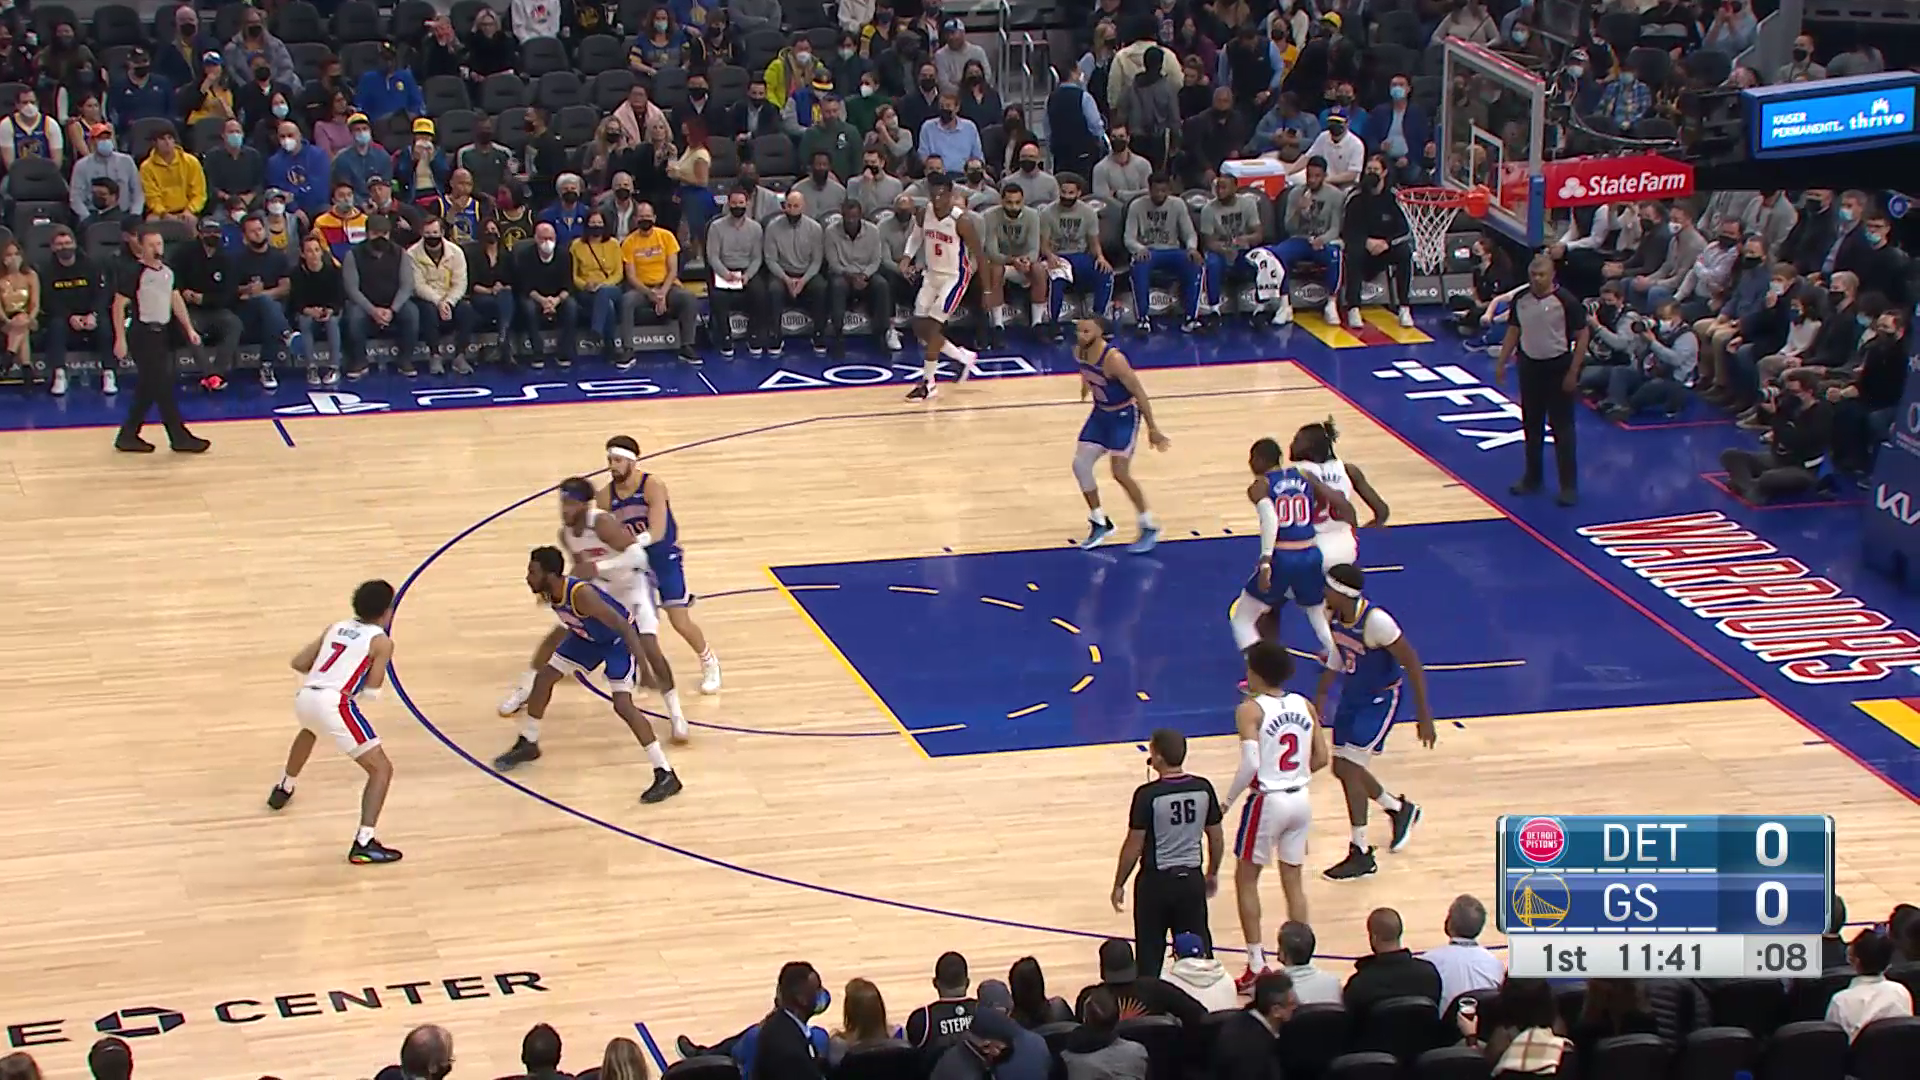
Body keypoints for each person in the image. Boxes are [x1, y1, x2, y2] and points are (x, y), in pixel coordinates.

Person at [490, 544, 683, 805]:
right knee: (545, 677)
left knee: (623, 705)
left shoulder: (582, 595)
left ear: (550, 575)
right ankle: (529, 742)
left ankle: (665, 773)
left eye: (533, 572)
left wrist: (645, 670)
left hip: (616, 642)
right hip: (586, 638)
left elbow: (625, 627)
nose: (527, 577)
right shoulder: (551, 591)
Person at [270, 579, 404, 865]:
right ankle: (364, 842)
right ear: (387, 611)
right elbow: (372, 691)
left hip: (306, 697)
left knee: (309, 730)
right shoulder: (381, 642)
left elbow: (299, 663)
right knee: (381, 769)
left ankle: (284, 787)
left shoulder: (336, 627)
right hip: (334, 703)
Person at [1315, 563, 1434, 881]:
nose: (1323, 593)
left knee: (1351, 770)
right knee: (1342, 769)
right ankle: (1398, 809)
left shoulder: (1377, 622)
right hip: (1353, 695)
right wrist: (1322, 695)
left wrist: (1424, 715)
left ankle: (1361, 852)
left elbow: (1412, 663)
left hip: (1378, 700)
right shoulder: (1333, 615)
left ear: (1342, 593)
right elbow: (1338, 653)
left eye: (1328, 589)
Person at [1225, 641, 1329, 991]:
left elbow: (1251, 764)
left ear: (1256, 672)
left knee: (1246, 879)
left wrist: (1226, 802)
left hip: (1268, 801)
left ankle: (1257, 964)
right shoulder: (1305, 704)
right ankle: (1302, 964)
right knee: (1293, 882)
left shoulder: (1249, 710)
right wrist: (1294, 774)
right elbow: (1321, 758)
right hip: (1301, 799)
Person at [601, 435, 723, 694]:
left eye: (618, 460)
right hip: (635, 563)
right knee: (629, 618)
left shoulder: (652, 485)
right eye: (610, 460)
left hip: (663, 558)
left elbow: (657, 532)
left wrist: (628, 545)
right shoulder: (604, 497)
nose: (613, 466)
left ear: (633, 461)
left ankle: (709, 661)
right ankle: (631, 668)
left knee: (679, 621)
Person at [1111, 727, 1223, 978]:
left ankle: (1150, 999)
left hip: (1156, 883)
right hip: (1191, 880)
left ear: (1158, 757)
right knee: (1198, 953)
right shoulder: (1204, 788)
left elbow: (1133, 845)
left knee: (1149, 955)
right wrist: (1212, 872)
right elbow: (1216, 837)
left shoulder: (1147, 795)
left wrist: (1119, 883)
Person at [1229, 437, 1351, 667]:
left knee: (1242, 619)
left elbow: (1270, 519)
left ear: (1260, 460)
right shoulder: (1304, 475)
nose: (1250, 463)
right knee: (1316, 614)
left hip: (1283, 557)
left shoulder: (1260, 485)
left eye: (1252, 458)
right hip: (1310, 553)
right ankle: (1339, 659)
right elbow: (1332, 501)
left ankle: (1261, 668)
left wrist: (1266, 560)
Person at [1495, 254, 1587, 506]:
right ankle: (1532, 478)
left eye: (1542, 275)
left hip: (1558, 367)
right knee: (1531, 425)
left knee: (1562, 429)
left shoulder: (1566, 300)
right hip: (1530, 366)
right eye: (1533, 275)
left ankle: (1568, 486)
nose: (1537, 279)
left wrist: (1573, 371)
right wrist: (1502, 361)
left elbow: (1582, 334)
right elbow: (1514, 330)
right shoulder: (1521, 298)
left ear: (1552, 275)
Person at [1070, 319, 1169, 551]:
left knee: (1120, 473)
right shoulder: (1079, 351)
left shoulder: (1114, 360)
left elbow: (1139, 392)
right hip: (1100, 415)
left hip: (1123, 416)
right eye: (1078, 330)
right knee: (1080, 465)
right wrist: (1085, 385)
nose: (1081, 334)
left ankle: (1148, 525)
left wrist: (1153, 428)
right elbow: (1085, 370)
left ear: (1100, 332)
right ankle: (1099, 521)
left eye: (1086, 331)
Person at [112, 226, 208, 453]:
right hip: (142, 334)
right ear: (142, 247)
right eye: (151, 245)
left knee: (149, 388)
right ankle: (179, 437)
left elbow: (175, 300)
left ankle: (127, 435)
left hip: (162, 333)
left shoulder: (168, 272)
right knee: (162, 386)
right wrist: (120, 338)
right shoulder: (135, 273)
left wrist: (189, 328)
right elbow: (118, 305)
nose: (156, 248)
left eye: (159, 244)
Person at [903, 173, 981, 401]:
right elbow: (916, 237)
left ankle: (929, 384)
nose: (937, 198)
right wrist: (907, 257)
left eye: (941, 194)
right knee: (919, 327)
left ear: (950, 194)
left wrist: (986, 289)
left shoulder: (961, 220)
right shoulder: (923, 213)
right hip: (932, 275)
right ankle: (963, 357)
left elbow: (979, 252)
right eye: (933, 194)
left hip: (954, 277)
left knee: (932, 328)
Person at [620, 202, 701, 366]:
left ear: (655, 218)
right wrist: (650, 293)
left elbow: (673, 270)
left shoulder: (666, 236)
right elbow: (631, 276)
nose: (645, 219)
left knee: (688, 298)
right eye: (641, 217)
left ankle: (687, 346)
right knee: (627, 301)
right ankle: (627, 349)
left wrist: (662, 293)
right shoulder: (628, 242)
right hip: (642, 289)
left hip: (667, 286)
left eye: (648, 216)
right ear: (635, 219)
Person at [344, 213, 423, 378]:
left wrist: (392, 310)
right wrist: (373, 310)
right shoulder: (353, 255)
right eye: (375, 233)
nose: (380, 238)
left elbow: (407, 285)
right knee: (354, 316)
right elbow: (352, 289)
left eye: (384, 234)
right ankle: (359, 361)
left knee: (412, 313)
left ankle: (405, 360)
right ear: (367, 233)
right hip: (365, 304)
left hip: (393, 303)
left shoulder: (400, 253)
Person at [1124, 172, 1203, 335]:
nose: (1160, 194)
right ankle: (1143, 319)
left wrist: (1191, 248)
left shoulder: (1178, 204)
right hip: (1148, 251)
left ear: (1169, 190)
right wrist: (1139, 248)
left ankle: (1191, 318)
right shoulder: (1136, 206)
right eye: (1156, 191)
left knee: (1194, 264)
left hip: (1172, 250)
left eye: (1164, 191)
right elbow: (1128, 238)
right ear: (1149, 189)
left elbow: (1189, 233)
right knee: (1139, 266)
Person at [1341, 155, 1414, 329]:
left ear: (1384, 172)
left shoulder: (1394, 197)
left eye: (1375, 170)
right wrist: (1366, 241)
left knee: (1405, 252)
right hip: (1363, 246)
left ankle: (1404, 308)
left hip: (1386, 247)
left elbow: (1405, 230)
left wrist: (1386, 243)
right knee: (1353, 253)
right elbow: (1347, 230)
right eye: (1369, 170)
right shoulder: (1355, 196)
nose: (1371, 173)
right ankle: (1353, 308)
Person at [1039, 173, 1113, 341]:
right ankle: (1053, 323)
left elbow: (1093, 242)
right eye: (1063, 192)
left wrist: (1100, 257)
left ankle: (1097, 319)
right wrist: (1050, 256)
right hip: (1058, 256)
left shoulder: (1088, 212)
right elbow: (1044, 245)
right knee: (1056, 278)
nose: (1066, 196)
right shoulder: (1047, 213)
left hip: (1080, 256)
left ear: (1079, 193)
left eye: (1071, 193)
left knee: (1105, 272)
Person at [41, 226, 110, 396]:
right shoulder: (46, 270)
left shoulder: (91, 265)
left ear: (75, 244)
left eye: (67, 243)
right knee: (55, 326)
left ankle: (109, 372)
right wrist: (69, 317)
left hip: (90, 315)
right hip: (64, 317)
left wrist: (93, 314)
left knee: (105, 325)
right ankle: (59, 374)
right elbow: (48, 300)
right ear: (53, 247)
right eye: (59, 244)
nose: (64, 247)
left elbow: (101, 294)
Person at [979, 181, 1048, 347]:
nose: (1014, 207)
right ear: (1002, 201)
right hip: (1003, 262)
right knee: (995, 270)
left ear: (1023, 201)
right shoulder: (990, 216)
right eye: (1009, 202)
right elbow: (992, 251)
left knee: (1039, 269)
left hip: (1024, 263)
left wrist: (1026, 260)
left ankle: (1037, 324)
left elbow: (1034, 249)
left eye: (1017, 202)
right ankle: (998, 326)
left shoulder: (1033, 215)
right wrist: (1012, 260)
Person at [231, 214, 297, 390]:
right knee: (268, 307)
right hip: (247, 314)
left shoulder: (278, 256)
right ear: (245, 236)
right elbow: (232, 290)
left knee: (269, 309)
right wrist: (247, 289)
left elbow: (285, 288)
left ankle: (267, 367)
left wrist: (261, 295)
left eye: (260, 229)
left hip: (274, 311)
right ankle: (286, 334)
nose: (258, 234)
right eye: (252, 231)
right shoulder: (237, 259)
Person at [823, 199, 894, 359]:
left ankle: (882, 334)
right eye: (847, 217)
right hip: (843, 274)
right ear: (842, 216)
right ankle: (838, 336)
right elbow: (833, 262)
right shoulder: (831, 231)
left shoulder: (873, 231)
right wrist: (851, 276)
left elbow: (876, 260)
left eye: (854, 217)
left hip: (866, 274)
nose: (850, 221)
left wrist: (864, 275)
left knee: (881, 285)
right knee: (837, 285)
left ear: (861, 215)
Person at [763, 190, 830, 355]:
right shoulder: (772, 227)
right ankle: (775, 335)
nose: (792, 210)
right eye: (789, 206)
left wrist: (803, 281)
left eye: (796, 206)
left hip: (807, 273)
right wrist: (787, 280)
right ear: (784, 206)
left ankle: (819, 334)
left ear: (803, 206)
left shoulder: (815, 228)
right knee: (774, 290)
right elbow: (770, 259)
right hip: (782, 272)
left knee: (821, 288)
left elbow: (816, 261)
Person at [707, 186, 769, 358]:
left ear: (747, 204)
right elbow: (713, 256)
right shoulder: (716, 227)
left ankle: (755, 335)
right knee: (718, 296)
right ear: (728, 204)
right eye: (734, 203)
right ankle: (725, 337)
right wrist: (725, 274)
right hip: (723, 270)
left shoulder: (756, 228)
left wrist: (747, 275)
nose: (737, 206)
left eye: (741, 203)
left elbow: (757, 258)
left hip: (746, 271)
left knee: (760, 291)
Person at [409, 217, 471, 376]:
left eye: (435, 232)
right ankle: (435, 355)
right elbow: (418, 285)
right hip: (426, 298)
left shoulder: (456, 252)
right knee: (428, 311)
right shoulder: (412, 254)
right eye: (428, 233)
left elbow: (460, 283)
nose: (432, 236)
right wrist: (438, 302)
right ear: (422, 233)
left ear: (442, 232)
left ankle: (460, 356)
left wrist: (448, 302)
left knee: (466, 310)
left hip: (450, 297)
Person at [515, 222, 580, 368]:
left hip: (557, 297)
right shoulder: (525, 256)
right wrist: (543, 301)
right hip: (535, 296)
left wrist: (556, 301)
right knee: (528, 308)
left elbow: (568, 285)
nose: (547, 242)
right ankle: (537, 352)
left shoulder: (564, 255)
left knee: (571, 306)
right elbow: (525, 286)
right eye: (543, 238)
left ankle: (564, 351)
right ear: (536, 238)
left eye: (550, 238)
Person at [1212, 972, 1294, 1080]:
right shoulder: (1256, 1053)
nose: (1296, 1006)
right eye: (1292, 1004)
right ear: (1276, 1010)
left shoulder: (1241, 1020)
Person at [289, 233, 346, 386]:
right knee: (305, 322)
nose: (314, 254)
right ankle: (311, 367)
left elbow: (340, 298)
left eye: (316, 250)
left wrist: (330, 310)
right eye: (309, 251)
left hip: (330, 311)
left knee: (332, 322)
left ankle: (334, 367)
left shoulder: (334, 271)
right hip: (308, 312)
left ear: (321, 252)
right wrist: (309, 310)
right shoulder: (297, 274)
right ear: (302, 254)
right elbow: (296, 301)